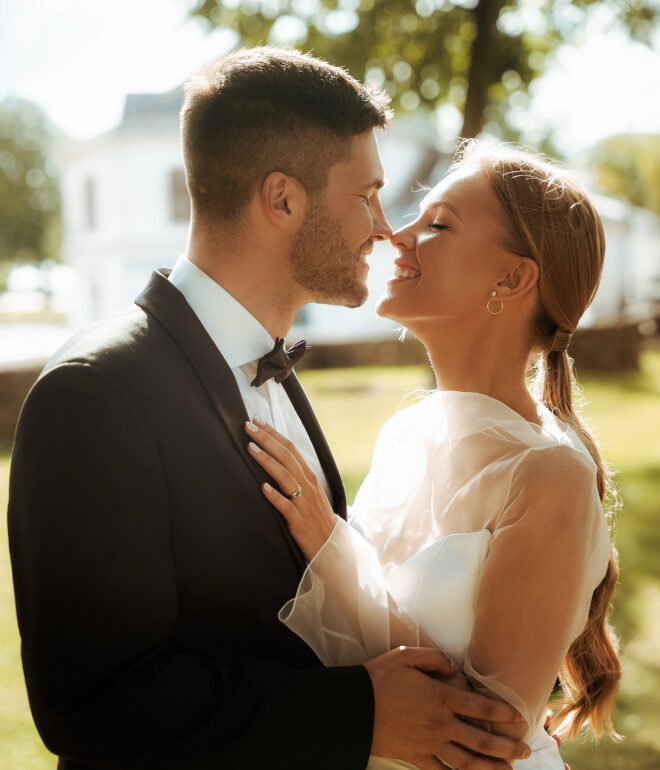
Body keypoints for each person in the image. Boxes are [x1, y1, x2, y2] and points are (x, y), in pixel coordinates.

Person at [8, 48, 531, 770]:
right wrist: (359, 715)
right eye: (365, 194)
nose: (383, 228)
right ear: (282, 199)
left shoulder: (276, 367)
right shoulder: (93, 395)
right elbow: (92, 701)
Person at [243, 141, 622, 769]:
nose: (397, 235)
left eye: (439, 224)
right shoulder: (407, 432)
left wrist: (328, 544)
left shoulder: (549, 475)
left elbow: (487, 733)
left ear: (512, 277)